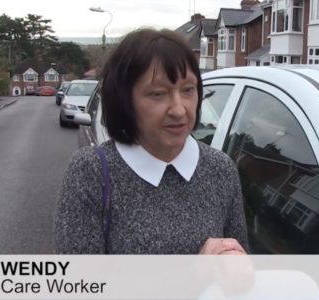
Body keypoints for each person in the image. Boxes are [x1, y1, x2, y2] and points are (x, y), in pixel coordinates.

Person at [55, 28, 249, 254]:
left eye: (188, 90)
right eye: (158, 94)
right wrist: (196, 273)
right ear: (124, 100)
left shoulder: (221, 169)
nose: (179, 109)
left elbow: (240, 271)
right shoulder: (91, 172)